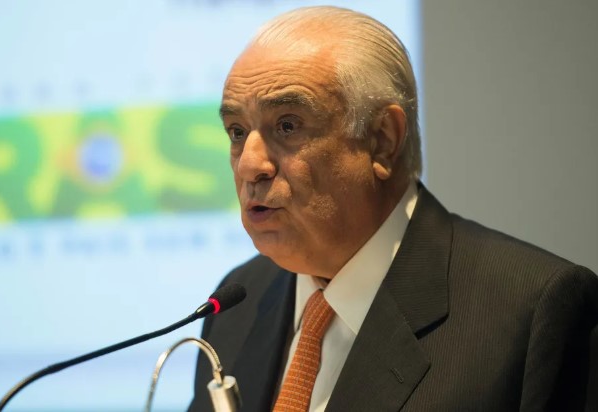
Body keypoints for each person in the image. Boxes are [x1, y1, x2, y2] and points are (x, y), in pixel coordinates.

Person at [189, 6, 598, 412]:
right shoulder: (238, 305)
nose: (249, 165)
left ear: (382, 139)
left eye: (287, 125)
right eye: (237, 132)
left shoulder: (533, 312)